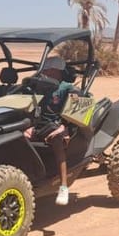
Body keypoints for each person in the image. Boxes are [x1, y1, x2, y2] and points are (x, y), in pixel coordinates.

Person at [24, 57, 78, 205]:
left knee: (57, 142)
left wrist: (64, 127)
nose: (45, 73)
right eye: (44, 70)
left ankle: (63, 187)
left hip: (56, 125)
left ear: (56, 71)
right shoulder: (40, 86)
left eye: (48, 70)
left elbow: (78, 107)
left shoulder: (66, 87)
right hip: (38, 125)